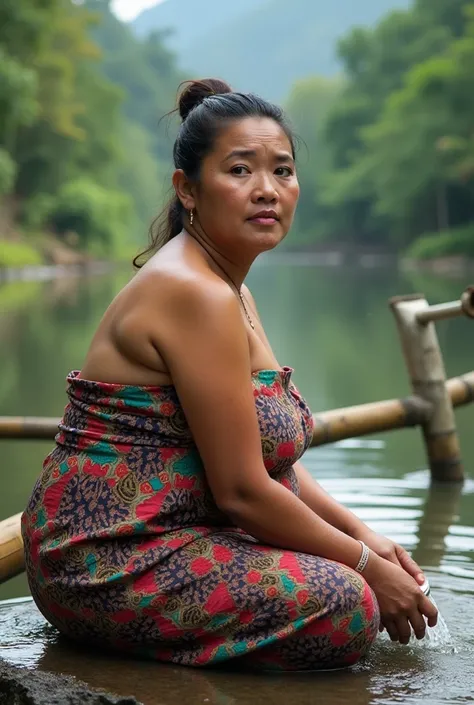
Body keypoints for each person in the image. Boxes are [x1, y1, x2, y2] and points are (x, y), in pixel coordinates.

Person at [21, 78, 437, 672]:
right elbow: (242, 491)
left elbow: (273, 466)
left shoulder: (230, 290)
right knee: (348, 604)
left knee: (355, 573)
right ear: (188, 189)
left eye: (283, 171)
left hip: (178, 532)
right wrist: (366, 568)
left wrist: (362, 536)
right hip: (106, 558)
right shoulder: (193, 293)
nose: (267, 190)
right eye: (239, 171)